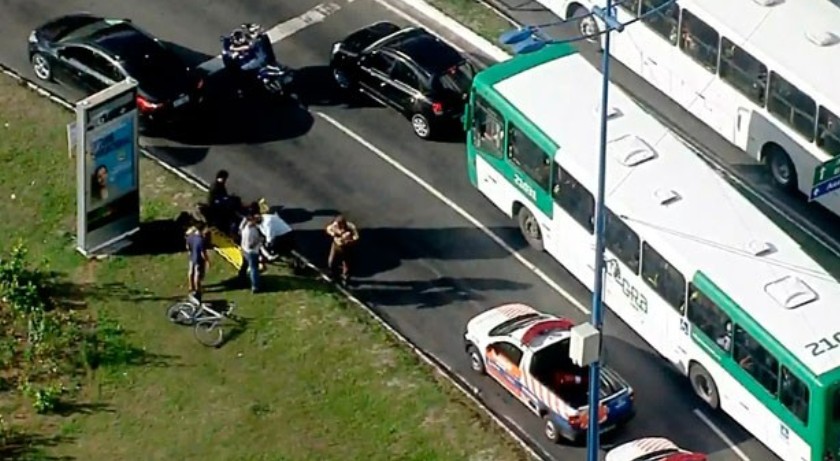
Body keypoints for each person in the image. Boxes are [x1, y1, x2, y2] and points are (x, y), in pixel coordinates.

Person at [326, 215, 359, 285]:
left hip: (347, 247)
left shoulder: (350, 227)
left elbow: (356, 236)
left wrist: (350, 240)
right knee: (331, 262)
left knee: (346, 263)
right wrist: (333, 233)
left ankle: (345, 278)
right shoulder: (334, 225)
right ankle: (334, 276)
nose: (338, 226)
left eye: (340, 225)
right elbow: (328, 229)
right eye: (337, 225)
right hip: (336, 246)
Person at [239, 214, 265, 293]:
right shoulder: (252, 231)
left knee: (244, 266)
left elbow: (240, 228)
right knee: (254, 269)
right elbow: (251, 245)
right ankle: (255, 286)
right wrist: (260, 239)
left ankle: (241, 280)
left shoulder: (245, 227)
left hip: (244, 250)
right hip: (252, 252)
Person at [186, 223, 211, 297]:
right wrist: (207, 261)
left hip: (192, 257)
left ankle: (191, 287)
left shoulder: (190, 236)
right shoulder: (201, 240)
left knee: (191, 272)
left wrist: (190, 253)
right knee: (197, 274)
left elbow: (187, 246)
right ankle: (197, 289)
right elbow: (203, 253)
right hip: (198, 259)